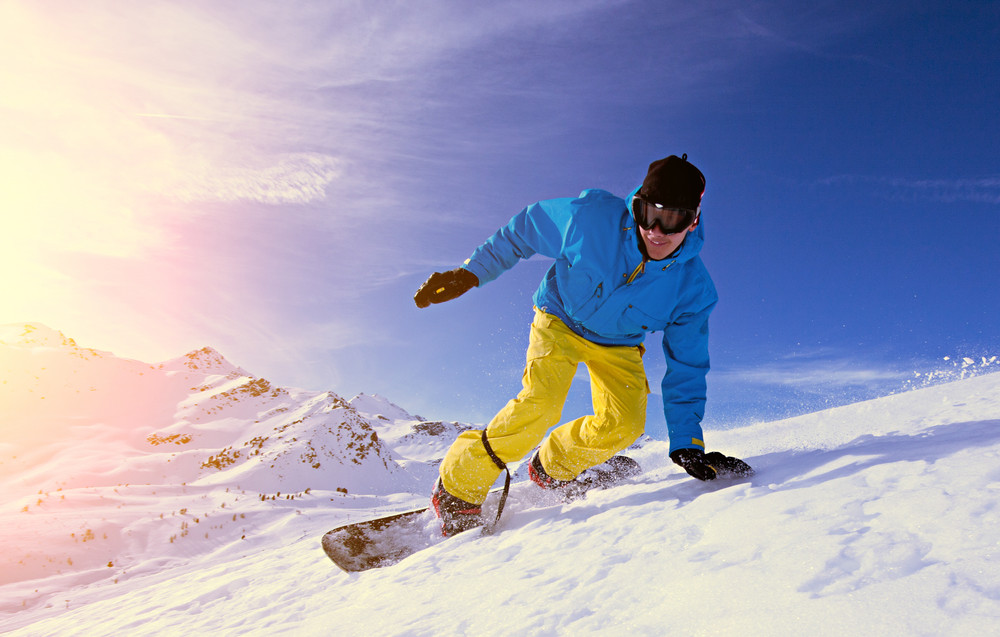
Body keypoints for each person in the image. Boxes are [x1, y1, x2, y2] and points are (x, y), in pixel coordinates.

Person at [414, 154, 751, 536]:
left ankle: (552, 467)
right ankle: (457, 487)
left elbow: (687, 365)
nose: (656, 231)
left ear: (692, 221)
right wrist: (471, 272)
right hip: (559, 318)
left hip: (618, 343)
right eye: (648, 214)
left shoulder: (693, 289)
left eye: (672, 219)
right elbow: (526, 228)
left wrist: (686, 441)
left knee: (625, 425)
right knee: (541, 405)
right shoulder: (590, 220)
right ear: (636, 206)